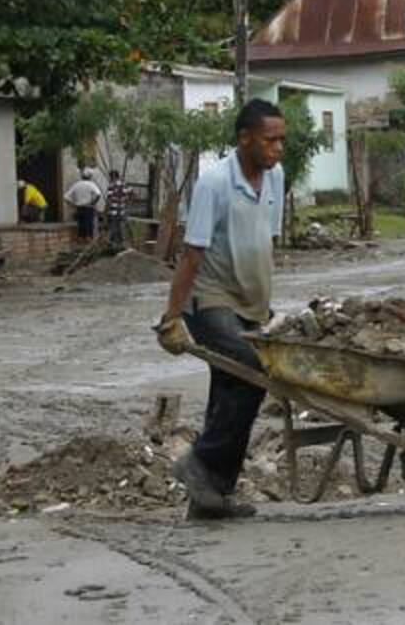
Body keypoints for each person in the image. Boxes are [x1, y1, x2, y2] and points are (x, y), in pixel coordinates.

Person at [155, 98, 285, 520]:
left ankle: (210, 495)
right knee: (251, 372)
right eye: (270, 140)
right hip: (209, 298)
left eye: (281, 140)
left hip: (251, 302)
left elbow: (267, 241)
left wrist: (267, 307)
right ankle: (200, 464)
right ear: (244, 138)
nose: (277, 148)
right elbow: (191, 255)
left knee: (229, 388)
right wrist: (172, 317)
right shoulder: (213, 183)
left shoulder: (276, 177)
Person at [64, 172, 103, 240]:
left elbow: (66, 197)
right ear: (89, 177)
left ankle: (81, 238)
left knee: (81, 223)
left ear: (82, 177)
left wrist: (72, 204)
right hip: (88, 207)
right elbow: (98, 194)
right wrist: (93, 203)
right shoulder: (91, 184)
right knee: (88, 223)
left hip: (79, 207)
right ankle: (88, 238)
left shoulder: (77, 184)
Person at [105, 169, 130, 248]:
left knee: (113, 227)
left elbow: (109, 199)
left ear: (113, 177)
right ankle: (121, 243)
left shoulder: (111, 185)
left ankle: (111, 242)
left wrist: (106, 209)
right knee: (121, 227)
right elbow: (129, 195)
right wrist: (123, 201)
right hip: (122, 210)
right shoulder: (124, 184)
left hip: (114, 210)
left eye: (110, 177)